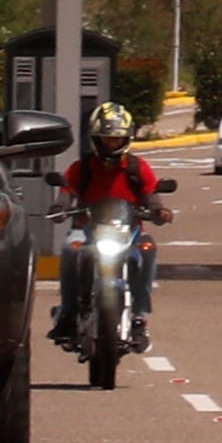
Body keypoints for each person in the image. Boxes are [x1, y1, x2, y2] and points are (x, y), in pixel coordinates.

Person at [53, 101, 166, 352]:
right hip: (87, 230)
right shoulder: (81, 168)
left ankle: (139, 316)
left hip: (128, 231)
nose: (112, 144)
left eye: (117, 139)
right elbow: (66, 191)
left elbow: (152, 194)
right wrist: (60, 207)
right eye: (106, 139)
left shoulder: (138, 168)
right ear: (96, 139)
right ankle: (68, 313)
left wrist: (158, 210)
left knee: (147, 249)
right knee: (71, 250)